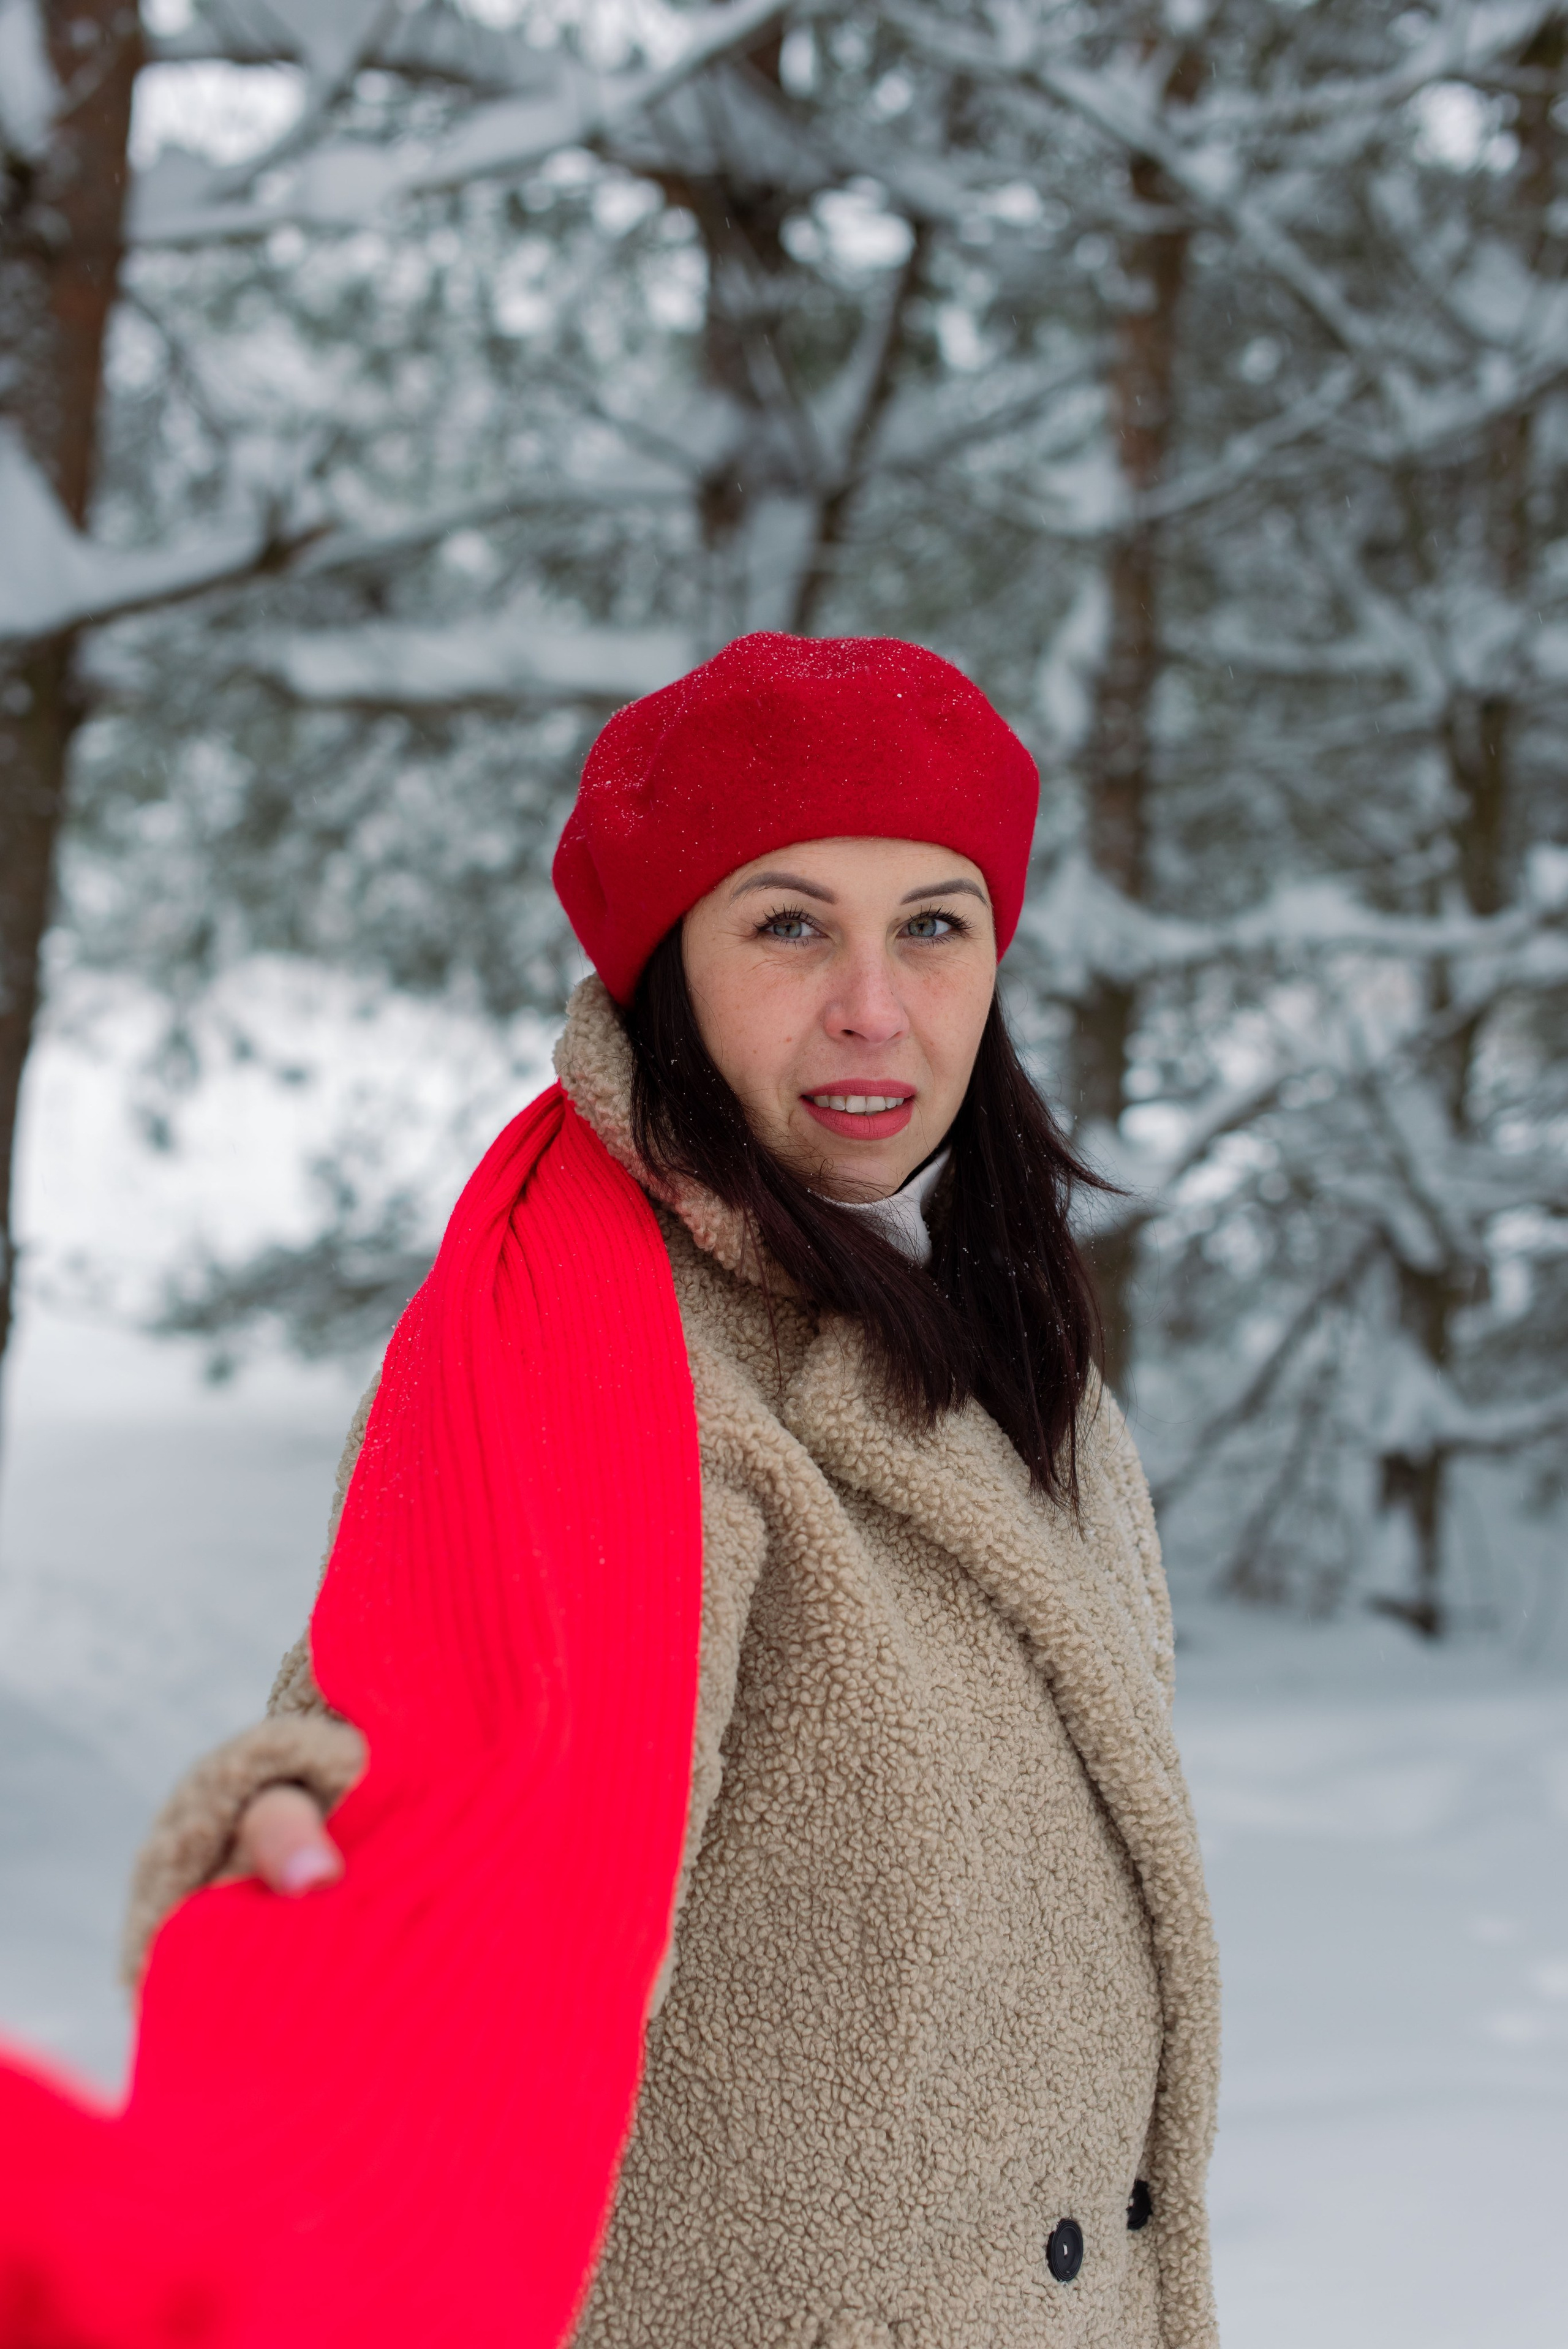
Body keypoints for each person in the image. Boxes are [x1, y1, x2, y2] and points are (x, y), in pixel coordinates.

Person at [126, 633, 1220, 2349]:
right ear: (672, 972)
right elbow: (449, 1787)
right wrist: (322, 1891)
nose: (874, 1002)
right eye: (790, 924)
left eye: (933, 923)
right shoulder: (591, 1360)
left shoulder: (1027, 1339)